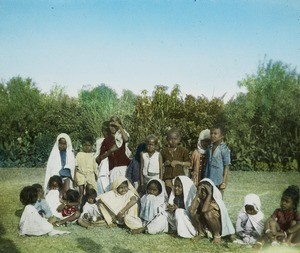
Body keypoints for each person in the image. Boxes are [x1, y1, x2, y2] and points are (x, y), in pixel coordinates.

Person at [189, 178, 235, 243]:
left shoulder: (215, 200)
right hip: (206, 225)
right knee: (194, 212)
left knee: (208, 214)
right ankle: (201, 233)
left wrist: (209, 194)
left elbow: (204, 210)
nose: (203, 193)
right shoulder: (200, 198)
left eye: (205, 191)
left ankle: (217, 236)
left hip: (218, 227)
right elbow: (191, 210)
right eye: (202, 190)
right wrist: (197, 193)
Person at [96, 117, 131, 185]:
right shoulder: (106, 140)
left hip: (124, 166)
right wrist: (110, 151)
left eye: (115, 126)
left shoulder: (121, 135)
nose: (113, 128)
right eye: (111, 126)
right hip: (113, 169)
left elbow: (126, 139)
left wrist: (119, 126)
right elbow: (101, 157)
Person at [161, 128, 191, 196]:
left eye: (175, 139)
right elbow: (160, 164)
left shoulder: (183, 150)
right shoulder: (164, 151)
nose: (173, 141)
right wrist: (165, 164)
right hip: (168, 177)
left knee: (179, 193)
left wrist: (178, 162)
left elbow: (189, 163)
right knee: (169, 192)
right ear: (167, 140)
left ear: (179, 139)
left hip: (179, 176)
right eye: (170, 139)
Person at [205, 125, 231, 195]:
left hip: (218, 181)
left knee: (217, 201)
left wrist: (224, 182)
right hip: (208, 179)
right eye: (211, 133)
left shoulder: (224, 149)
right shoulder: (208, 148)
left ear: (222, 136)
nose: (212, 135)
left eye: (215, 134)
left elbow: (226, 167)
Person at [75, 135, 97, 203]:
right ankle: (80, 205)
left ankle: (91, 205)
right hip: (81, 174)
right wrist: (75, 178)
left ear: (92, 146)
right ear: (82, 145)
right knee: (81, 192)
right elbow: (76, 166)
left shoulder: (93, 155)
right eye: (85, 145)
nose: (87, 147)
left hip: (90, 175)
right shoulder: (79, 154)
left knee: (90, 190)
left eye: (89, 145)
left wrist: (96, 175)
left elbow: (95, 166)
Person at [95, 121, 111, 194]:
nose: (105, 133)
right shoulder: (99, 141)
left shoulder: (115, 140)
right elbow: (97, 157)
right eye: (104, 130)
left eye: (107, 130)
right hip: (102, 170)